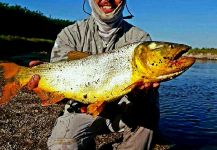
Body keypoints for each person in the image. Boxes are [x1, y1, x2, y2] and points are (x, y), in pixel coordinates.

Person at [28, 0, 160, 149]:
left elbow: (145, 95)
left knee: (149, 110)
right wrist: (46, 87)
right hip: (80, 111)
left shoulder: (140, 40)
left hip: (125, 112)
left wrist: (142, 94)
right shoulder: (70, 34)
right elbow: (61, 94)